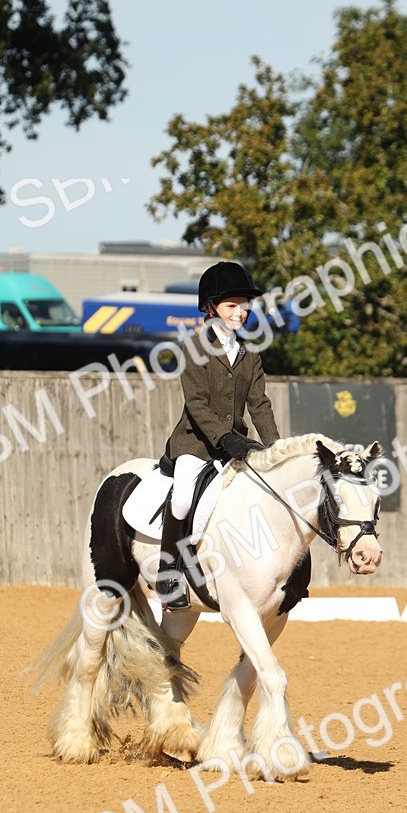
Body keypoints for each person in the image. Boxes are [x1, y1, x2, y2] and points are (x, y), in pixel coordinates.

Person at [156, 260, 280, 609]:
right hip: (195, 443)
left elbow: (260, 404)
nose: (240, 313)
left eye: (244, 305)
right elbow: (196, 404)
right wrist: (223, 438)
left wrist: (276, 447)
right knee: (182, 497)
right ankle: (168, 577)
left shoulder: (249, 353)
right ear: (211, 308)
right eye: (231, 306)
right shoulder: (193, 347)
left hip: (237, 444)